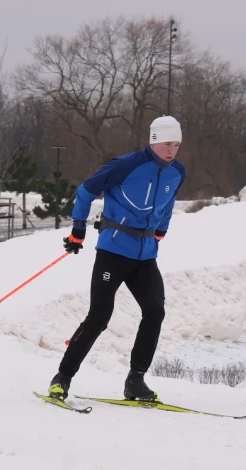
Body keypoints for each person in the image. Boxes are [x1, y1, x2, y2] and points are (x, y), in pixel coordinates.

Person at [48, 116, 186, 402]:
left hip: (145, 256)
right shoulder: (126, 165)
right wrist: (77, 231)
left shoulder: (177, 172)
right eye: (167, 144)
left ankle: (135, 380)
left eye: (177, 145)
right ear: (154, 140)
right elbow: (85, 191)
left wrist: (160, 231)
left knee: (155, 310)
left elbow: (168, 203)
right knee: (99, 316)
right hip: (113, 252)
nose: (172, 151)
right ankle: (62, 378)